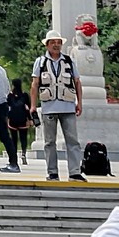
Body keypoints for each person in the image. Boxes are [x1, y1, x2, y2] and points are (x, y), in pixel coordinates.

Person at [30, 31, 85, 181]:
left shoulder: (68, 61)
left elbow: (77, 82)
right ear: (47, 45)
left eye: (58, 42)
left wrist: (79, 102)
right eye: (53, 42)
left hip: (68, 106)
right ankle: (52, 172)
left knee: (72, 141)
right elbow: (35, 85)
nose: (56, 45)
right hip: (49, 107)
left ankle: (74, 171)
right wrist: (33, 105)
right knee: (49, 142)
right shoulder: (40, 62)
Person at [1, 85, 33, 173]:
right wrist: (30, 119)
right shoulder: (24, 95)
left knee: (13, 139)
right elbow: (28, 107)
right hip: (23, 120)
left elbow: (7, 107)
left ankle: (14, 156)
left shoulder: (10, 96)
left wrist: (6, 118)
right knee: (23, 138)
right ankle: (23, 153)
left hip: (12, 121)